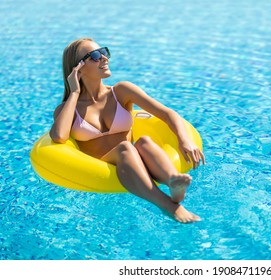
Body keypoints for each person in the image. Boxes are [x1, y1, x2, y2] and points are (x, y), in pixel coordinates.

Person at [50, 38, 205, 223]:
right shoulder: (67, 109)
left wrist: (184, 140)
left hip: (132, 160)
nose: (104, 58)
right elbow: (59, 137)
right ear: (78, 68)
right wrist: (74, 92)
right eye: (95, 56)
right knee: (125, 147)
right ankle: (170, 206)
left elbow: (167, 113)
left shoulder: (121, 91)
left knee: (144, 142)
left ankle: (173, 182)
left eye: (104, 52)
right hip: (102, 166)